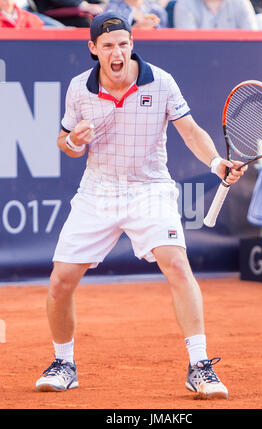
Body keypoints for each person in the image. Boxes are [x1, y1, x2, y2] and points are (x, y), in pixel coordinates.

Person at [35, 11, 246, 399]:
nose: (118, 53)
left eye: (124, 44)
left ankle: (199, 366)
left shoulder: (161, 82)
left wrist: (217, 163)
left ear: (132, 44)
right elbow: (64, 143)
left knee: (178, 265)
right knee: (60, 282)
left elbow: (190, 131)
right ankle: (64, 362)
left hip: (149, 189)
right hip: (98, 190)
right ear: (93, 49)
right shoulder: (78, 89)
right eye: (109, 46)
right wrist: (74, 141)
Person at [173, 0, 258, 30]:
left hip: (237, 63)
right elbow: (188, 47)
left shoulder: (241, 3)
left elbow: (253, 44)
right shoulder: (184, 4)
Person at [27, 0, 105, 27]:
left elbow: (98, 4)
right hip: (49, 12)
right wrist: (84, 5)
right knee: (85, 22)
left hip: (83, 11)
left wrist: (100, 5)